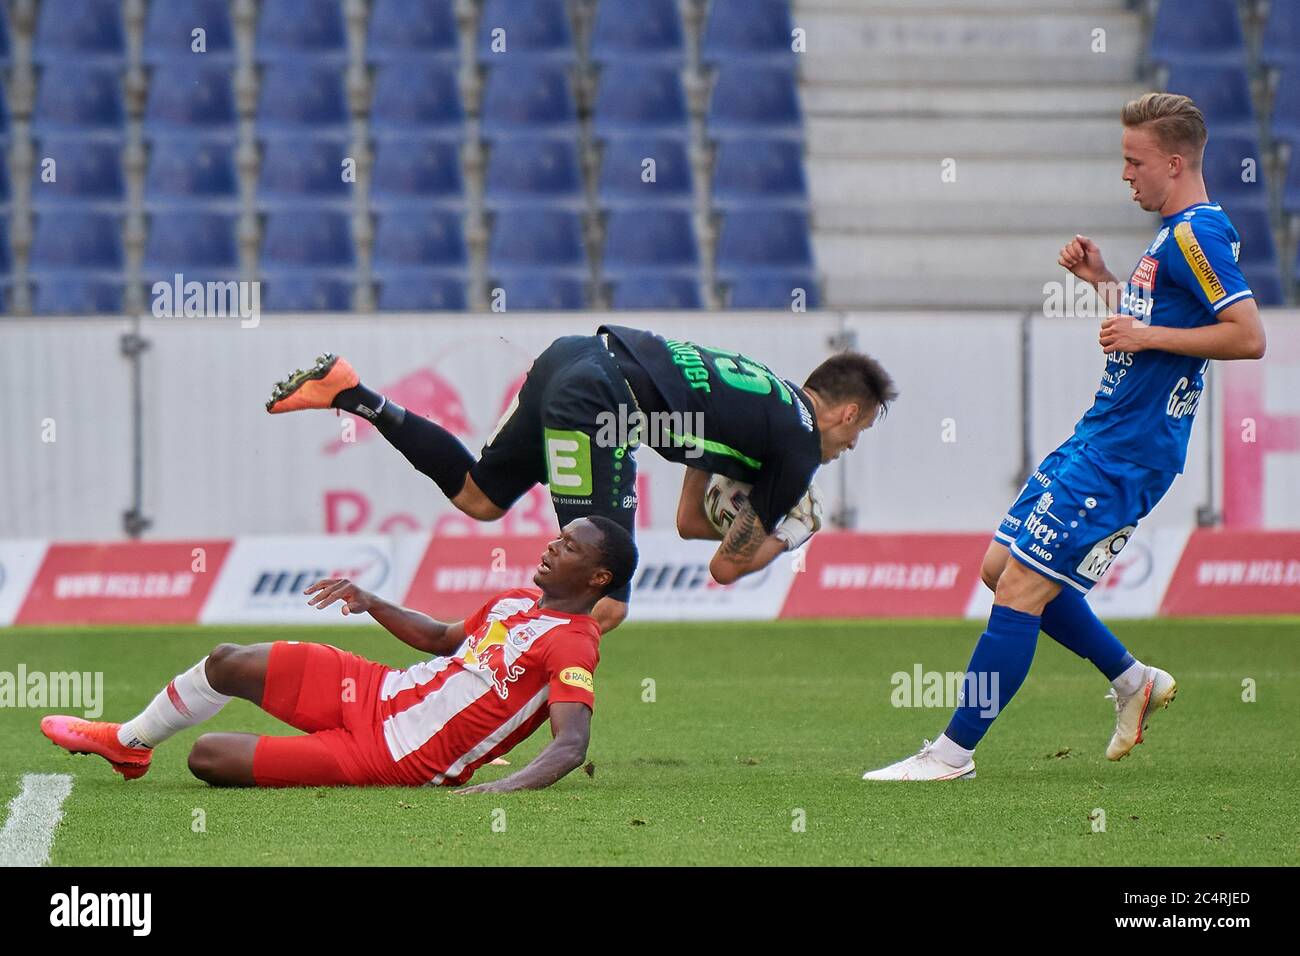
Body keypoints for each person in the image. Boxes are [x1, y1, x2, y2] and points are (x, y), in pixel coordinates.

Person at [865, 92, 1266, 781]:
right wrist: (1103, 284)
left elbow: (1247, 336)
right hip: (1097, 434)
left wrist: (1144, 333)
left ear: (1174, 163)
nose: (1125, 175)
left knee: (1019, 588)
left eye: (1133, 161)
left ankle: (951, 754)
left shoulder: (1199, 234)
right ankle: (1132, 679)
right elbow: (1150, 326)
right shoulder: (1170, 236)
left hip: (1127, 453)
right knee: (999, 569)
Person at [266, 325, 898, 632]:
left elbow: (687, 522)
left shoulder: (763, 398)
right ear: (846, 413)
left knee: (480, 497)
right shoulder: (799, 449)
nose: (850, 444)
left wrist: (739, 515)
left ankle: (354, 393)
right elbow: (726, 568)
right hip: (601, 400)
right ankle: (489, 703)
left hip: (572, 356)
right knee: (605, 597)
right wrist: (790, 534)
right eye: (859, 431)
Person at [40, 517, 637, 793]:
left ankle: (147, 745)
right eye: (558, 537)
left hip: (393, 756)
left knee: (207, 758)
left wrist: (500, 789)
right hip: (378, 688)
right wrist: (373, 600)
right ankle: (130, 744)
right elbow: (439, 639)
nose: (552, 546)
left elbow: (570, 742)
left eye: (570, 546)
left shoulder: (576, 641)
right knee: (228, 661)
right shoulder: (513, 602)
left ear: (598, 575)